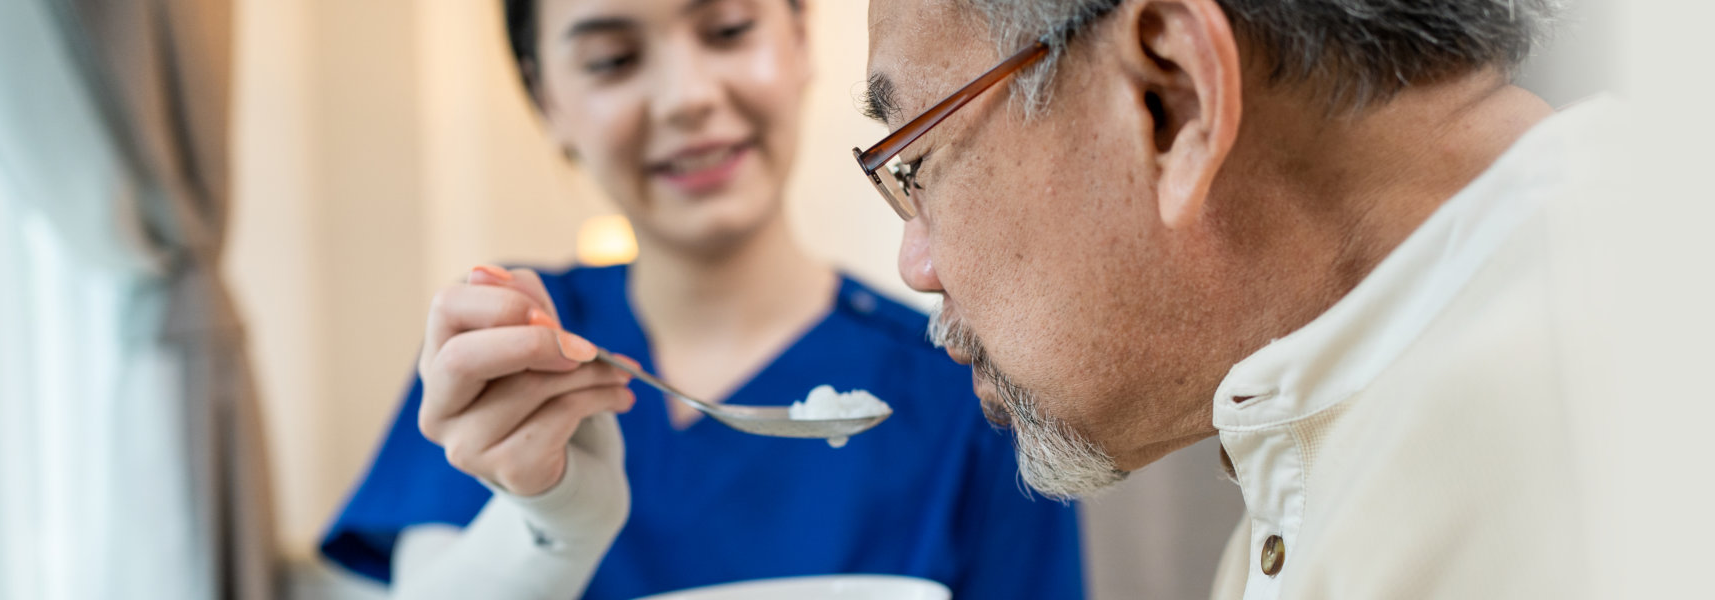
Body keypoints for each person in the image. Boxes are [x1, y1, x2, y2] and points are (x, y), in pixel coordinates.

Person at [857, 0, 1628, 597]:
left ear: (1172, 97)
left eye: (916, 163)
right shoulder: (1341, 451)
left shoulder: (1557, 447)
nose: (915, 264)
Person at [320, 1, 1086, 598]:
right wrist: (551, 521)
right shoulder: (513, 348)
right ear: (545, 100)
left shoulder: (974, 386)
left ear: (799, 38)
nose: (687, 97)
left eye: (726, 29)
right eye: (613, 59)